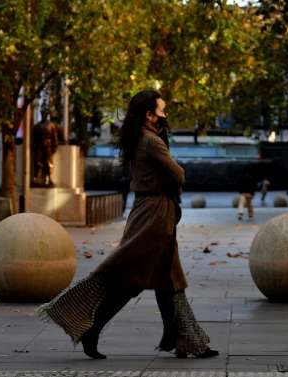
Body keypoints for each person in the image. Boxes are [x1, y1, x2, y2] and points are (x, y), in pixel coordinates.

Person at [38, 90, 218, 360]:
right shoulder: (151, 141)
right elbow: (178, 175)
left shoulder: (139, 138)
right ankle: (93, 328)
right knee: (131, 280)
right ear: (149, 114)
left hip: (151, 212)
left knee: (168, 280)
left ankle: (184, 339)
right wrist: (168, 149)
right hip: (155, 217)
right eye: (162, 111)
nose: (165, 116)